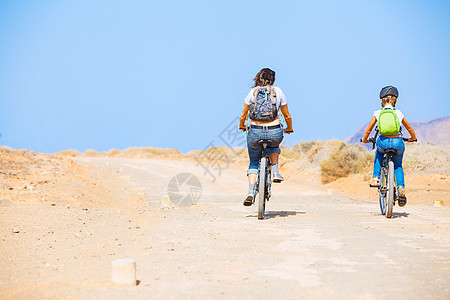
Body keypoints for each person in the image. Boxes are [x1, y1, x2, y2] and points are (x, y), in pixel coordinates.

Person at [238, 68, 294, 206]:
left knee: (253, 163)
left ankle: (251, 191)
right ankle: (275, 170)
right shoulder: (278, 91)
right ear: (273, 79)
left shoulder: (253, 92)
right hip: (274, 130)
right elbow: (287, 115)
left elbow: (243, 115)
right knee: (274, 144)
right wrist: (289, 128)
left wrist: (241, 126)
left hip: (255, 131)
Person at [362, 85, 417, 206]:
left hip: (383, 142)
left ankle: (376, 178)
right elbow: (409, 128)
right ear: (395, 100)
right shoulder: (398, 112)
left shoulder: (378, 113)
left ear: (382, 100)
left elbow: (368, 130)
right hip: (398, 142)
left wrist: (365, 139)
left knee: (379, 152)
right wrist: (413, 138)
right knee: (398, 165)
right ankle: (401, 187)